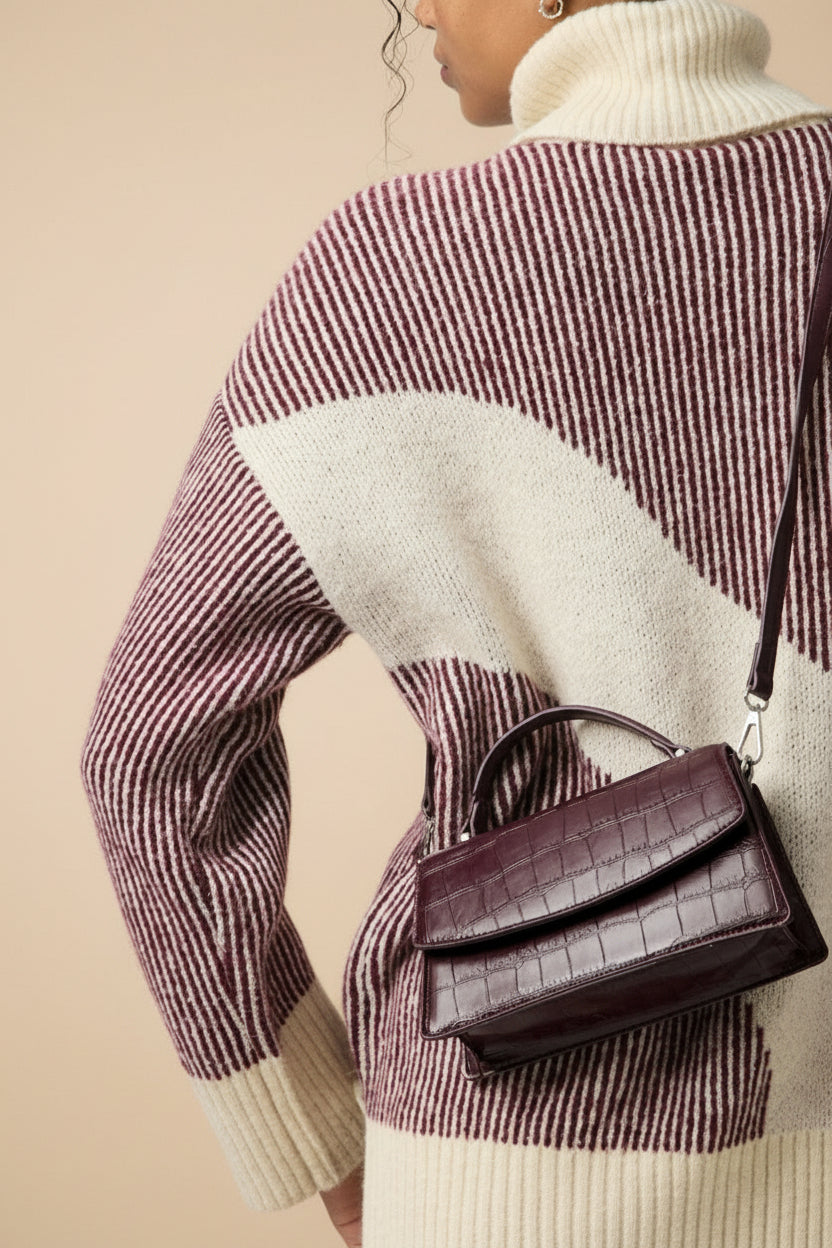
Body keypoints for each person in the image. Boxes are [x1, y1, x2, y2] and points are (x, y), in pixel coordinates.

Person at [79, 0, 832, 1243]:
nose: (414, 5)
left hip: (503, 1173)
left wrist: (314, 1131)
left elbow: (150, 752)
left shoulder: (384, 272)